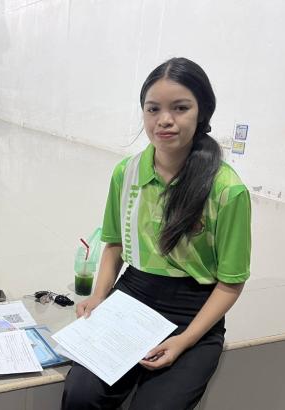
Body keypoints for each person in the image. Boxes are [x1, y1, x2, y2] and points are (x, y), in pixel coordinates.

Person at [62, 57, 251, 410]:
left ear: (202, 112)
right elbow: (114, 245)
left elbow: (231, 282)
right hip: (132, 295)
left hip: (193, 309)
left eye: (180, 108)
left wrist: (184, 340)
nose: (164, 119)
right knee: (81, 395)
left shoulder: (227, 190)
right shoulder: (126, 173)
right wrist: (100, 297)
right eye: (153, 109)